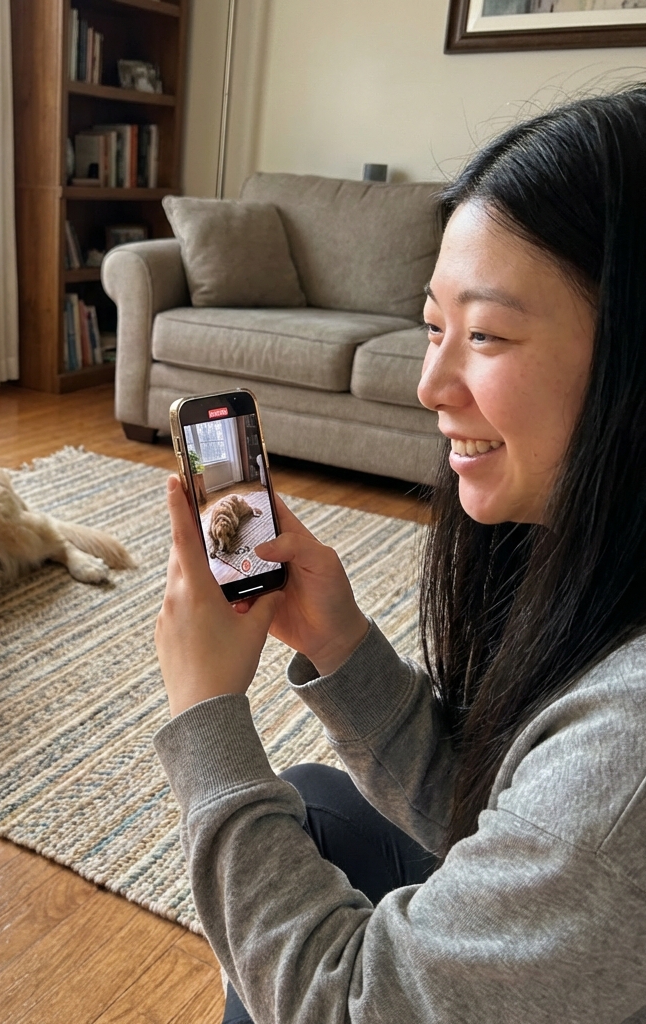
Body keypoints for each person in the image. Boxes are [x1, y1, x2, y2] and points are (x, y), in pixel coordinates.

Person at [153, 87, 646, 1024]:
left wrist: (205, 717)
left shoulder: (630, 754)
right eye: (433, 326)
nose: (429, 383)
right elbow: (493, 808)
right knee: (312, 804)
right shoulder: (599, 577)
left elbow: (348, 1006)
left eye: (485, 333)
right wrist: (339, 645)